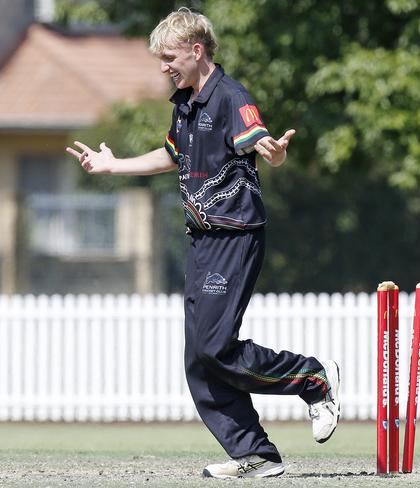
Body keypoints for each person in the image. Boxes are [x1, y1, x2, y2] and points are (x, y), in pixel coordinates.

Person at [66, 8, 340, 478]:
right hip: (203, 239)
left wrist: (274, 152)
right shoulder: (185, 103)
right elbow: (171, 155)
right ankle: (255, 454)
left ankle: (313, 378)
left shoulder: (232, 97)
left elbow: (260, 142)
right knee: (198, 358)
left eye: (169, 57)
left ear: (196, 51)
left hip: (235, 234)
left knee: (214, 347)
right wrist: (114, 166)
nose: (162, 66)